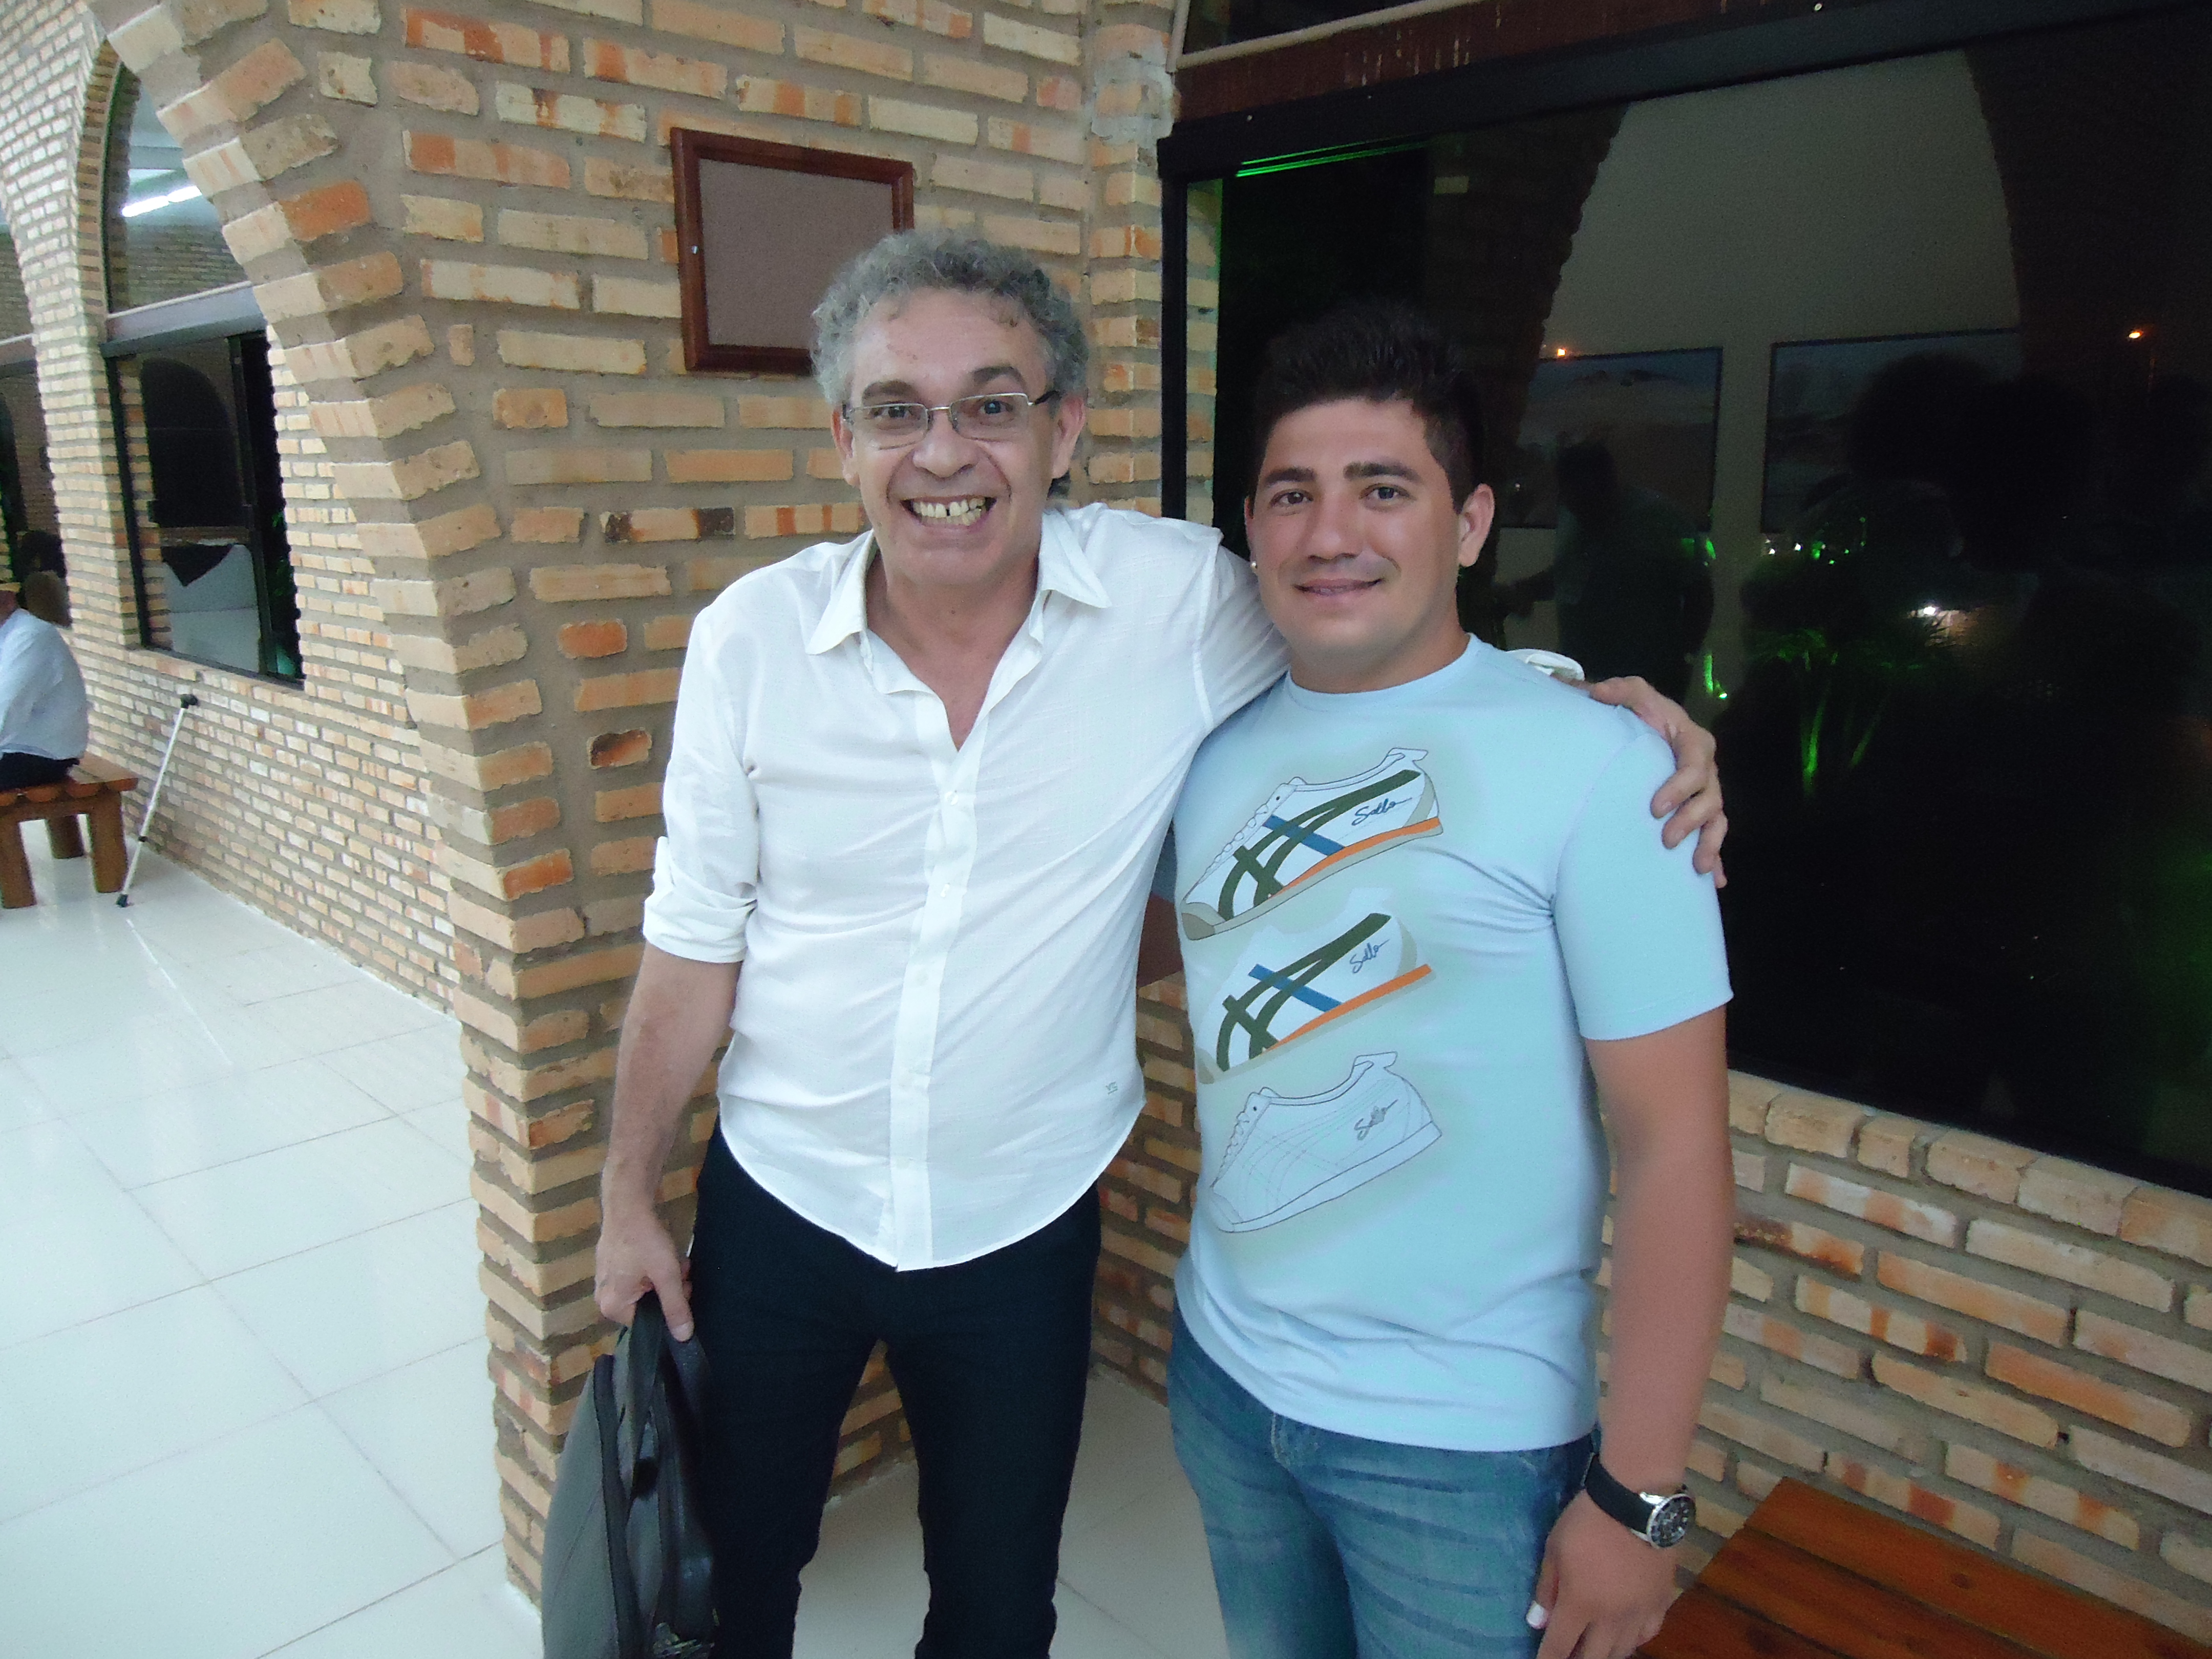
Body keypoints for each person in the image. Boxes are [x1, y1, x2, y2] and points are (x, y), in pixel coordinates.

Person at [591, 232, 1727, 1659]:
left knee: (998, 1609)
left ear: (1063, 429)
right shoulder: (749, 643)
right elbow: (694, 942)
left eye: (992, 403)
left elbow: (1381, 631)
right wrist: (626, 1190)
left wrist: (1594, 709)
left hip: (1025, 1221)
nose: (944, 451)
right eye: (897, 409)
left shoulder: (1175, 604)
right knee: (727, 1585)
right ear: (844, 439)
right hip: (785, 1194)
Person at [1163, 304, 1733, 1659]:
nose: (1330, 533)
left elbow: (1676, 1144)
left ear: (1471, 523)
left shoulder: (1605, 769)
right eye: (1292, 495)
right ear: (1251, 527)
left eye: (1383, 489)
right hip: (1226, 1387)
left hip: (1463, 1450)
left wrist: (1640, 1498)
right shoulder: (1207, 750)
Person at [1501, 439, 1713, 700]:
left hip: (1646, 681)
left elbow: (1699, 593)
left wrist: (1684, 659)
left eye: (1583, 494)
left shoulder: (1658, 521)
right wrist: (1524, 590)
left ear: (1606, 483)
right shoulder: (1574, 517)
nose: (1573, 504)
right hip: (1583, 675)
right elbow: (1568, 575)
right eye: (1568, 494)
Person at [0, 576, 89, 790]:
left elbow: (6, 712)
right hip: (13, 749)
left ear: (8, 599)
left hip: (38, 755)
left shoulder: (30, 636)